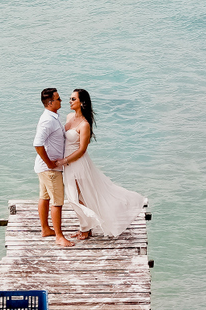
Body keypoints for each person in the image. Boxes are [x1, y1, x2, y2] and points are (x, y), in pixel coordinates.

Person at [55, 89, 146, 239]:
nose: (69, 101)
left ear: (82, 102)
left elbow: (82, 149)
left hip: (77, 163)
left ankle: (86, 229)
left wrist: (64, 161)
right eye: (70, 99)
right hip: (68, 164)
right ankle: (86, 227)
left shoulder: (84, 124)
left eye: (73, 99)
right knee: (74, 197)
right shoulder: (69, 116)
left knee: (78, 197)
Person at [33, 88, 74, 247]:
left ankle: (45, 229)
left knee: (44, 197)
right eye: (58, 99)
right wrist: (50, 163)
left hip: (44, 168)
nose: (61, 101)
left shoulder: (52, 117)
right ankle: (59, 236)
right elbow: (37, 144)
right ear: (50, 103)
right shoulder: (47, 120)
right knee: (57, 201)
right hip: (49, 169)